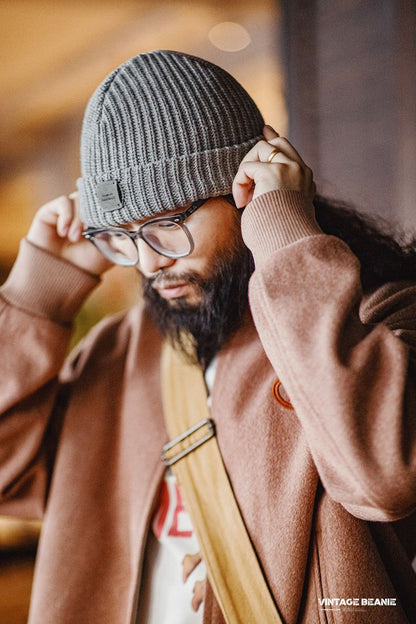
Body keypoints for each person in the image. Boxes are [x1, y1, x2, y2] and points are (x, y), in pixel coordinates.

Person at [0, 49, 415, 624]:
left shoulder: (379, 318)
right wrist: (36, 297)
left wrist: (287, 239)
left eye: (170, 223)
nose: (147, 264)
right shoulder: (119, 353)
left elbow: (384, 478)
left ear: (248, 185)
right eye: (120, 237)